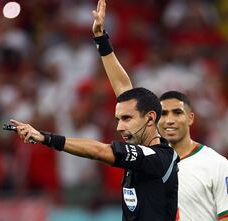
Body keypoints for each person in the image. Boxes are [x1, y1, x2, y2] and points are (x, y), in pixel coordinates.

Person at [92, 0, 228, 221]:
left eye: (177, 112)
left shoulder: (216, 164)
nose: (170, 119)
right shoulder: (146, 157)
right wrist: (101, 40)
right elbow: (123, 88)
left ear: (191, 118)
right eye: (164, 113)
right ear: (153, 118)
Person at [10, 87, 179, 221]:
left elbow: (99, 151)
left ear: (150, 119)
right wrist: (103, 44)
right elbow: (124, 88)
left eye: (126, 118)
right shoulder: (144, 151)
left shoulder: (158, 157)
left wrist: (45, 138)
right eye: (118, 119)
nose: (119, 127)